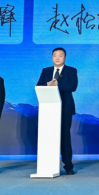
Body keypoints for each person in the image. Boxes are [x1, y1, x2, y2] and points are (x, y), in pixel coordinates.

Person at [36, 47, 79, 175]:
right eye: (55, 55)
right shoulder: (46, 71)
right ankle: (48, 164)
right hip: (48, 109)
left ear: (65, 58)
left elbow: (73, 87)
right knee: (48, 136)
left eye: (60, 55)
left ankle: (68, 166)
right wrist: (47, 86)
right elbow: (39, 86)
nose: (57, 57)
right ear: (52, 57)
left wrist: (57, 85)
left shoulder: (71, 70)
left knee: (65, 136)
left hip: (65, 109)